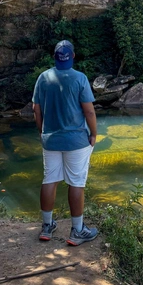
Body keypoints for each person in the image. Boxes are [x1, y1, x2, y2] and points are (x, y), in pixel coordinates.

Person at [32, 40, 98, 245]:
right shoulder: (80, 78)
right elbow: (88, 111)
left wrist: (43, 131)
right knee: (76, 182)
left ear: (54, 57)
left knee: (49, 179)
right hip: (76, 141)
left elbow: (36, 109)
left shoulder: (44, 78)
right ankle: (77, 230)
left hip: (50, 139)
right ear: (73, 56)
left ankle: (47, 226)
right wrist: (94, 133)